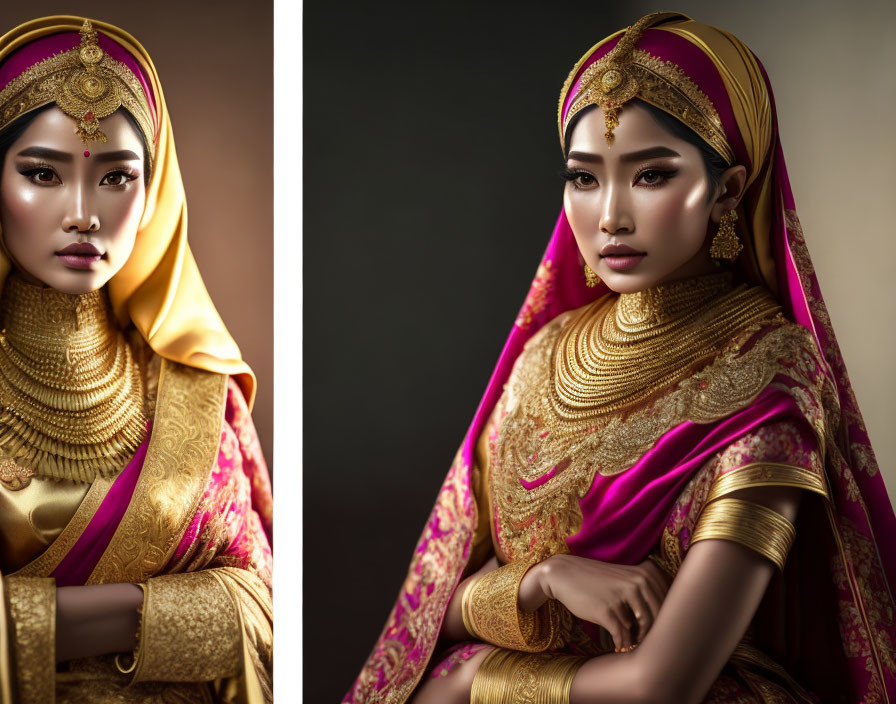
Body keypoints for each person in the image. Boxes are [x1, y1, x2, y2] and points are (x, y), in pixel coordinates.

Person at [345, 12, 896, 704]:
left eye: (651, 176)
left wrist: (474, 680)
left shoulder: (768, 377)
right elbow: (431, 609)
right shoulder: (544, 354)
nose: (610, 216)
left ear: (727, 190)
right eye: (584, 178)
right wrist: (542, 580)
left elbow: (658, 685)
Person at [0, 16, 272, 704]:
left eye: (117, 176)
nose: (84, 213)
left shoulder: (199, 391)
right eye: (41, 173)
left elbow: (265, 610)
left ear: (154, 193)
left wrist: (35, 620)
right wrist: (138, 616)